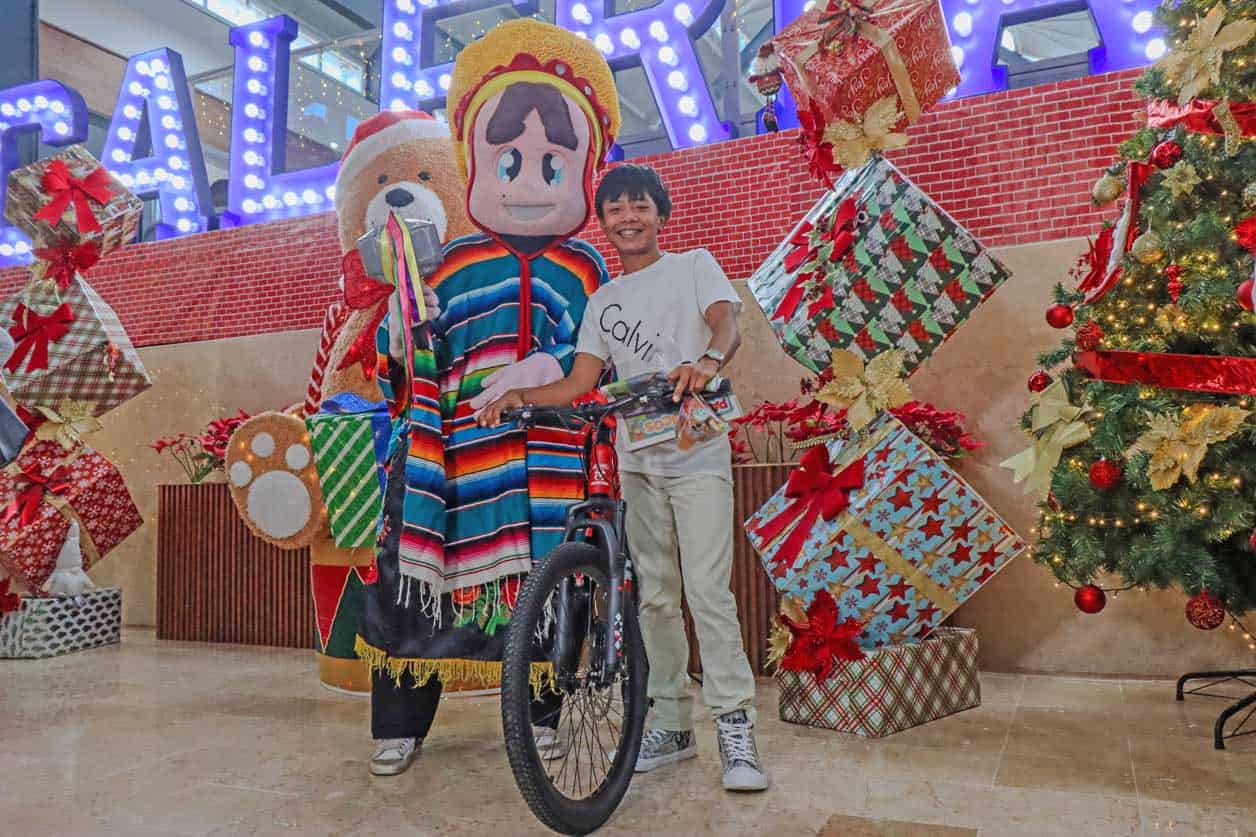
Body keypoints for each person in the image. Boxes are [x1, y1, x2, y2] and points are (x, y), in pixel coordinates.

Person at [355, 18, 620, 777]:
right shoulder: (448, 262)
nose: (529, 181)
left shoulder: (587, 267)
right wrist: (403, 338)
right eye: (509, 160)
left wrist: (551, 362)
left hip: (552, 461)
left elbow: (603, 352)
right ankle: (399, 724)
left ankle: (543, 711)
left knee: (552, 589)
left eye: (552, 162)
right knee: (417, 584)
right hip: (456, 459)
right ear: (474, 161)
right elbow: (407, 362)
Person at [479, 163, 769, 792]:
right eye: (615, 209)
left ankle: (735, 728)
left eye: (639, 206)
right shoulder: (602, 301)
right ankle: (672, 724)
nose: (628, 218)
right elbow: (580, 381)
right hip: (638, 460)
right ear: (604, 222)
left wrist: (707, 361)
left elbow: (727, 323)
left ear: (660, 215)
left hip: (697, 453)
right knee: (655, 597)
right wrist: (522, 397)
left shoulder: (693, 265)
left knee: (708, 592)